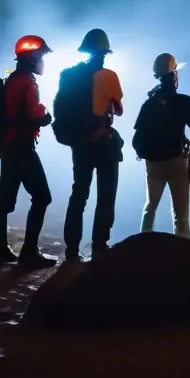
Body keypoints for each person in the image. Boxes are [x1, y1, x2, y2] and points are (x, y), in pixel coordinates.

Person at [0, 35, 57, 270]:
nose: (43, 62)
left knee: (4, 200)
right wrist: (46, 116)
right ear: (30, 58)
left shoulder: (13, 79)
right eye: (41, 57)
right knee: (42, 196)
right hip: (21, 147)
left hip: (8, 145)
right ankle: (29, 253)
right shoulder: (26, 82)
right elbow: (35, 113)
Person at [62, 28, 123, 260]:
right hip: (105, 143)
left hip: (81, 144)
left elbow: (63, 109)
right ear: (105, 53)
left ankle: (72, 248)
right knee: (106, 194)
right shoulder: (109, 76)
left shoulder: (68, 76)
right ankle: (99, 244)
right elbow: (118, 109)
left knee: (79, 193)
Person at [134, 53, 190, 239]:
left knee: (150, 207)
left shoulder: (149, 103)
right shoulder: (183, 101)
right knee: (181, 215)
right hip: (177, 161)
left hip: (153, 163)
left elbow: (138, 132)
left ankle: (142, 247)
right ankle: (183, 253)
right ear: (173, 76)